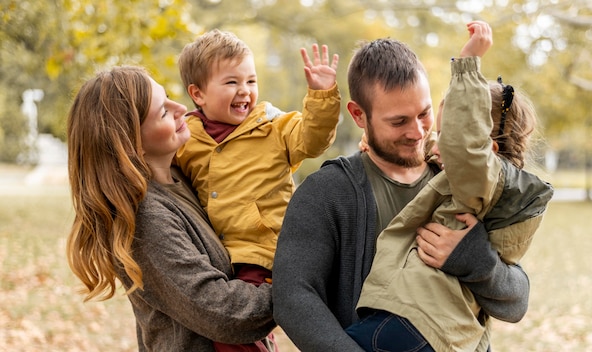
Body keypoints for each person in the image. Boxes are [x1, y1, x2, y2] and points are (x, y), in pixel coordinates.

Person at [273, 26, 533, 351]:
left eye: (424, 114)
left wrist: (475, 260)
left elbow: (516, 301)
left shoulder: (459, 183)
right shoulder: (327, 192)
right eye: (398, 122)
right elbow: (292, 296)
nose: (417, 132)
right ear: (359, 115)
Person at [346, 21, 554, 352]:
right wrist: (375, 138)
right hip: (438, 327)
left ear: (487, 151)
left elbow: (516, 299)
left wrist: (468, 65)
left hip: (418, 323)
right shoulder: (480, 184)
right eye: (398, 121)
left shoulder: (480, 179)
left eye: (443, 134)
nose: (428, 139)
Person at [66, 66, 276, 351]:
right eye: (163, 112)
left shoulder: (186, 177)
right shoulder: (145, 219)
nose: (181, 108)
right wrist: (298, 286)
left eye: (168, 98)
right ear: (131, 145)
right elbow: (226, 314)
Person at [174, 29, 341, 287]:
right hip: (213, 249)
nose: (244, 91)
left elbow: (312, 139)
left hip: (263, 249)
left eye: (251, 82)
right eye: (232, 83)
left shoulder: (272, 126)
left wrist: (321, 97)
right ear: (198, 94)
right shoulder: (187, 136)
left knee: (246, 309)